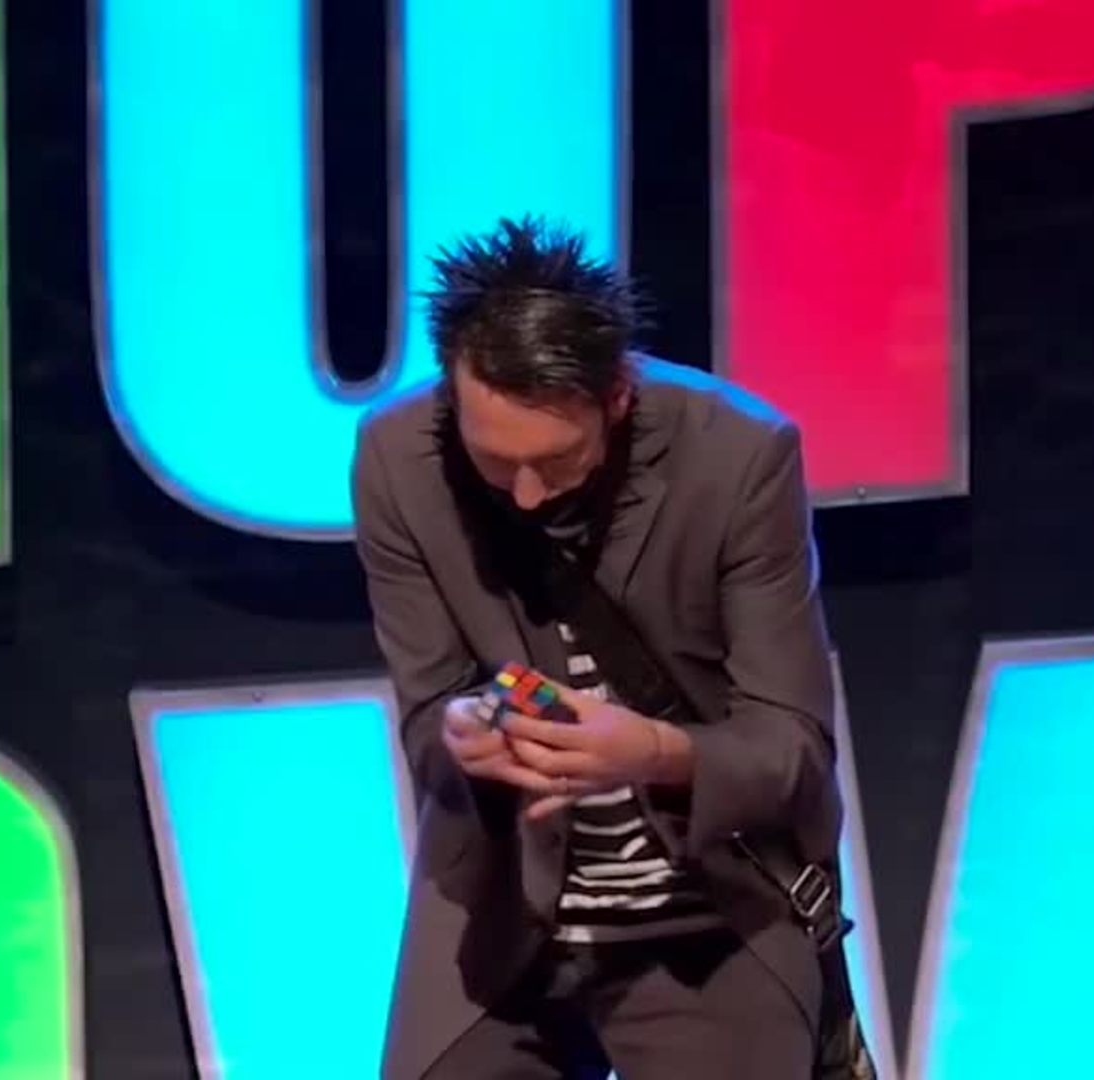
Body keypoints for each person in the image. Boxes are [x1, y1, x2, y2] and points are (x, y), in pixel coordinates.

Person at [351, 215, 843, 1080]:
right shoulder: (397, 460)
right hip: (504, 910)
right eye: (495, 463)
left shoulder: (739, 457)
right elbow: (427, 715)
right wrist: (464, 737)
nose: (526, 495)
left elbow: (791, 750)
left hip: (710, 919)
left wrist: (653, 752)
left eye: (556, 461)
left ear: (616, 396)